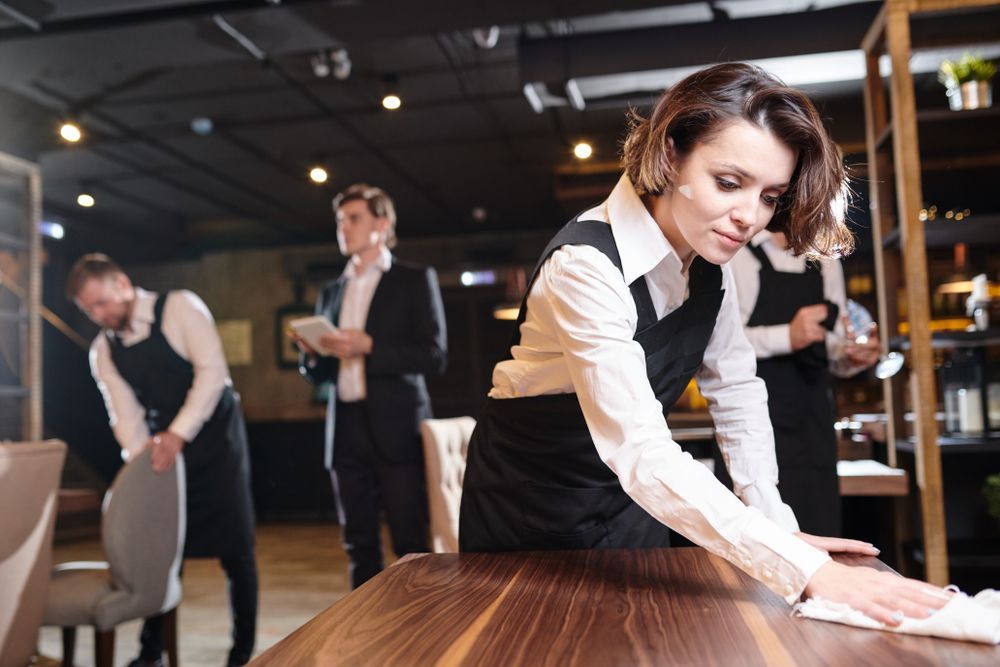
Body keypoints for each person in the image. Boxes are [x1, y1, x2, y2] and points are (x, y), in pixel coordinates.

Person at [459, 63, 950, 625]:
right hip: (530, 511)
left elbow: (737, 389)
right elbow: (641, 451)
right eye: (728, 182)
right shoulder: (585, 267)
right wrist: (802, 569)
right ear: (671, 157)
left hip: (633, 506)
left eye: (770, 196)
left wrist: (777, 527)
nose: (750, 217)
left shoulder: (710, 270)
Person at [67, 254, 258, 667]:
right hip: (164, 450)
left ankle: (243, 653)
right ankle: (151, 652)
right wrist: (142, 468)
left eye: (102, 303)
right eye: (89, 310)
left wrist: (178, 434)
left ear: (122, 282)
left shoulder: (181, 307)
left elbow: (212, 374)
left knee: (237, 551)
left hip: (217, 439)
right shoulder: (103, 350)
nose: (100, 315)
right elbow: (125, 414)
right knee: (163, 552)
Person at [297, 183, 447, 588]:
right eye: (340, 220)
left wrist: (370, 347)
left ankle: (422, 624)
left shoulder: (414, 280)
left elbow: (434, 356)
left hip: (397, 426)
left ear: (381, 224)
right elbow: (320, 375)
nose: (343, 227)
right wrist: (312, 355)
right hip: (344, 427)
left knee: (410, 539)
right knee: (356, 542)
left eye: (353, 218)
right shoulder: (331, 290)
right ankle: (367, 635)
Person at [730, 231, 880, 536]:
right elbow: (720, 344)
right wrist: (788, 336)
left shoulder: (825, 260)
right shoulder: (736, 255)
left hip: (813, 426)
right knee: (756, 540)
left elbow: (832, 344)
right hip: (752, 423)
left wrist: (851, 356)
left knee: (819, 531)